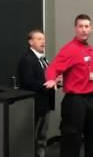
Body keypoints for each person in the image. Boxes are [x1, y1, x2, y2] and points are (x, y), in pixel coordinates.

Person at [44, 14, 93, 157]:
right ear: (75, 28)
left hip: (90, 99)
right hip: (74, 101)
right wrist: (51, 79)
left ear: (91, 29)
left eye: (86, 26)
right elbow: (53, 68)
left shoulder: (89, 49)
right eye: (80, 26)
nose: (84, 30)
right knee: (71, 141)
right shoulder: (70, 49)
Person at [17, 29, 56, 157]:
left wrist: (55, 81)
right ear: (30, 41)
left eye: (43, 39)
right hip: (34, 104)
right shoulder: (27, 59)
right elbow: (28, 82)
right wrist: (48, 85)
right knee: (32, 136)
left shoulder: (44, 59)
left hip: (45, 104)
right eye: (39, 39)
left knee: (42, 136)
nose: (43, 42)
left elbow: (46, 78)